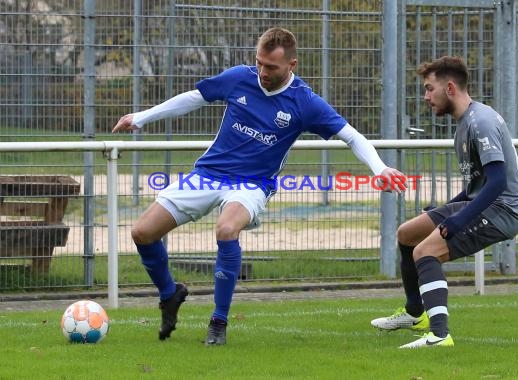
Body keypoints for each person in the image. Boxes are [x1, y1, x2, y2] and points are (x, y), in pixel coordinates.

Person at [113, 27, 408, 345]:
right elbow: (195, 98)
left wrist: (380, 168)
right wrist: (142, 117)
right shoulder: (240, 77)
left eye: (271, 67)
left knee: (227, 229)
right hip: (209, 173)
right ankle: (169, 295)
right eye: (259, 64)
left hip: (252, 185)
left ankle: (218, 322)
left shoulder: (304, 102)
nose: (263, 73)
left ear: (291, 65)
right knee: (142, 232)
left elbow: (351, 135)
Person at [370, 55, 518, 348]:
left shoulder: (480, 122)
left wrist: (457, 220)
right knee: (407, 234)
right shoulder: (466, 121)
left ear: (450, 87)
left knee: (426, 251)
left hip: (504, 209)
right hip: (487, 201)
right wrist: (441, 211)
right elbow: (474, 189)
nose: (426, 96)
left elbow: (497, 183)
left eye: (430, 89)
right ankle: (415, 313)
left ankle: (440, 335)